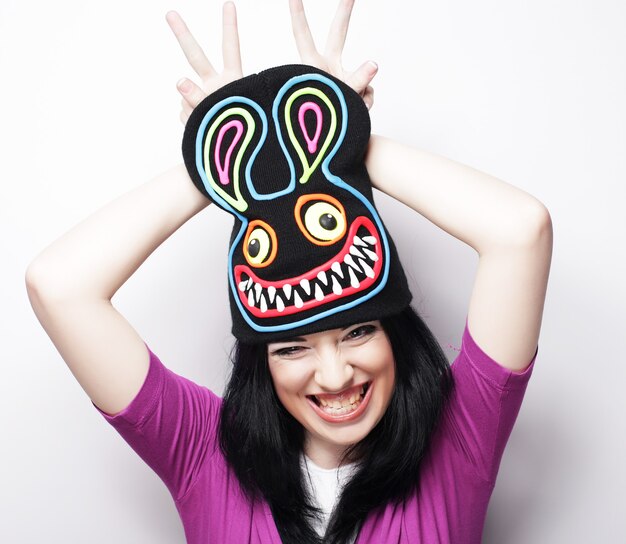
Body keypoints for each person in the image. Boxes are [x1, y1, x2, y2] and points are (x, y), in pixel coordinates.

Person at [25, 1, 553, 543]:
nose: (334, 376)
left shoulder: (460, 437)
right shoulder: (204, 453)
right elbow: (59, 285)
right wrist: (214, 156)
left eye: (358, 331)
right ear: (262, 358)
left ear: (395, 331)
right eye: (293, 347)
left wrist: (345, 141)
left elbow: (521, 231)